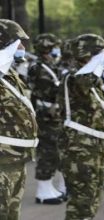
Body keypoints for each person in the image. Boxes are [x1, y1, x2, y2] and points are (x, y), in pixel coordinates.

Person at [57, 33, 104, 220]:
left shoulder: (93, 80)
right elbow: (83, 82)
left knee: (93, 195)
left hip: (95, 144)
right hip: (79, 146)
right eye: (99, 54)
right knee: (81, 198)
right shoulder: (72, 78)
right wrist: (96, 63)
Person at [0, 19, 38, 220]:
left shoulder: (10, 76)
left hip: (15, 158)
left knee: (11, 214)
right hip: (2, 159)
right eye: (18, 43)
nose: (22, 48)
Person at [28, 33, 64, 204]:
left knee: (55, 150)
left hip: (54, 115)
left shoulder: (49, 65)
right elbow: (46, 90)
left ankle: (48, 186)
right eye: (54, 46)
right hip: (45, 116)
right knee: (47, 151)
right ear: (47, 48)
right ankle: (43, 189)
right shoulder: (38, 67)